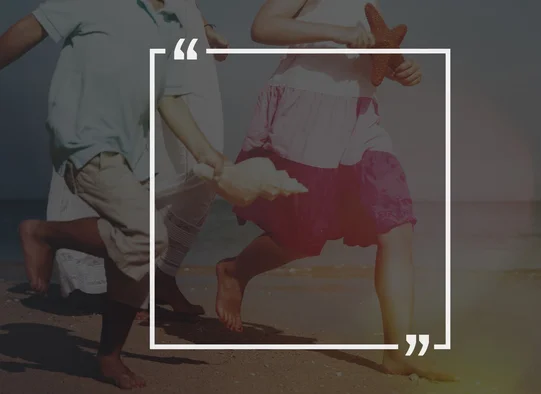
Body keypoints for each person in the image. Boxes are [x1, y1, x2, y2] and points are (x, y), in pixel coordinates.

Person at [214, 0, 454, 381]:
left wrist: (399, 68)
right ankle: (235, 272)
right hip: (307, 110)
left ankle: (397, 352)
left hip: (361, 114)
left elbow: (371, 54)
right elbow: (263, 27)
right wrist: (337, 33)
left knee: (396, 224)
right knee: (302, 236)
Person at [0, 0, 232, 388]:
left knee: (136, 256)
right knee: (146, 234)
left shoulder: (170, 25)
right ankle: (44, 233)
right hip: (83, 138)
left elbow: (169, 97)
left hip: (134, 154)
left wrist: (207, 152)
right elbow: (30, 28)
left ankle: (109, 356)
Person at [46, 2, 229, 322]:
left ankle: (160, 274)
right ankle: (90, 281)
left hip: (182, 28)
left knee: (199, 167)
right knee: (134, 146)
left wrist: (206, 29)